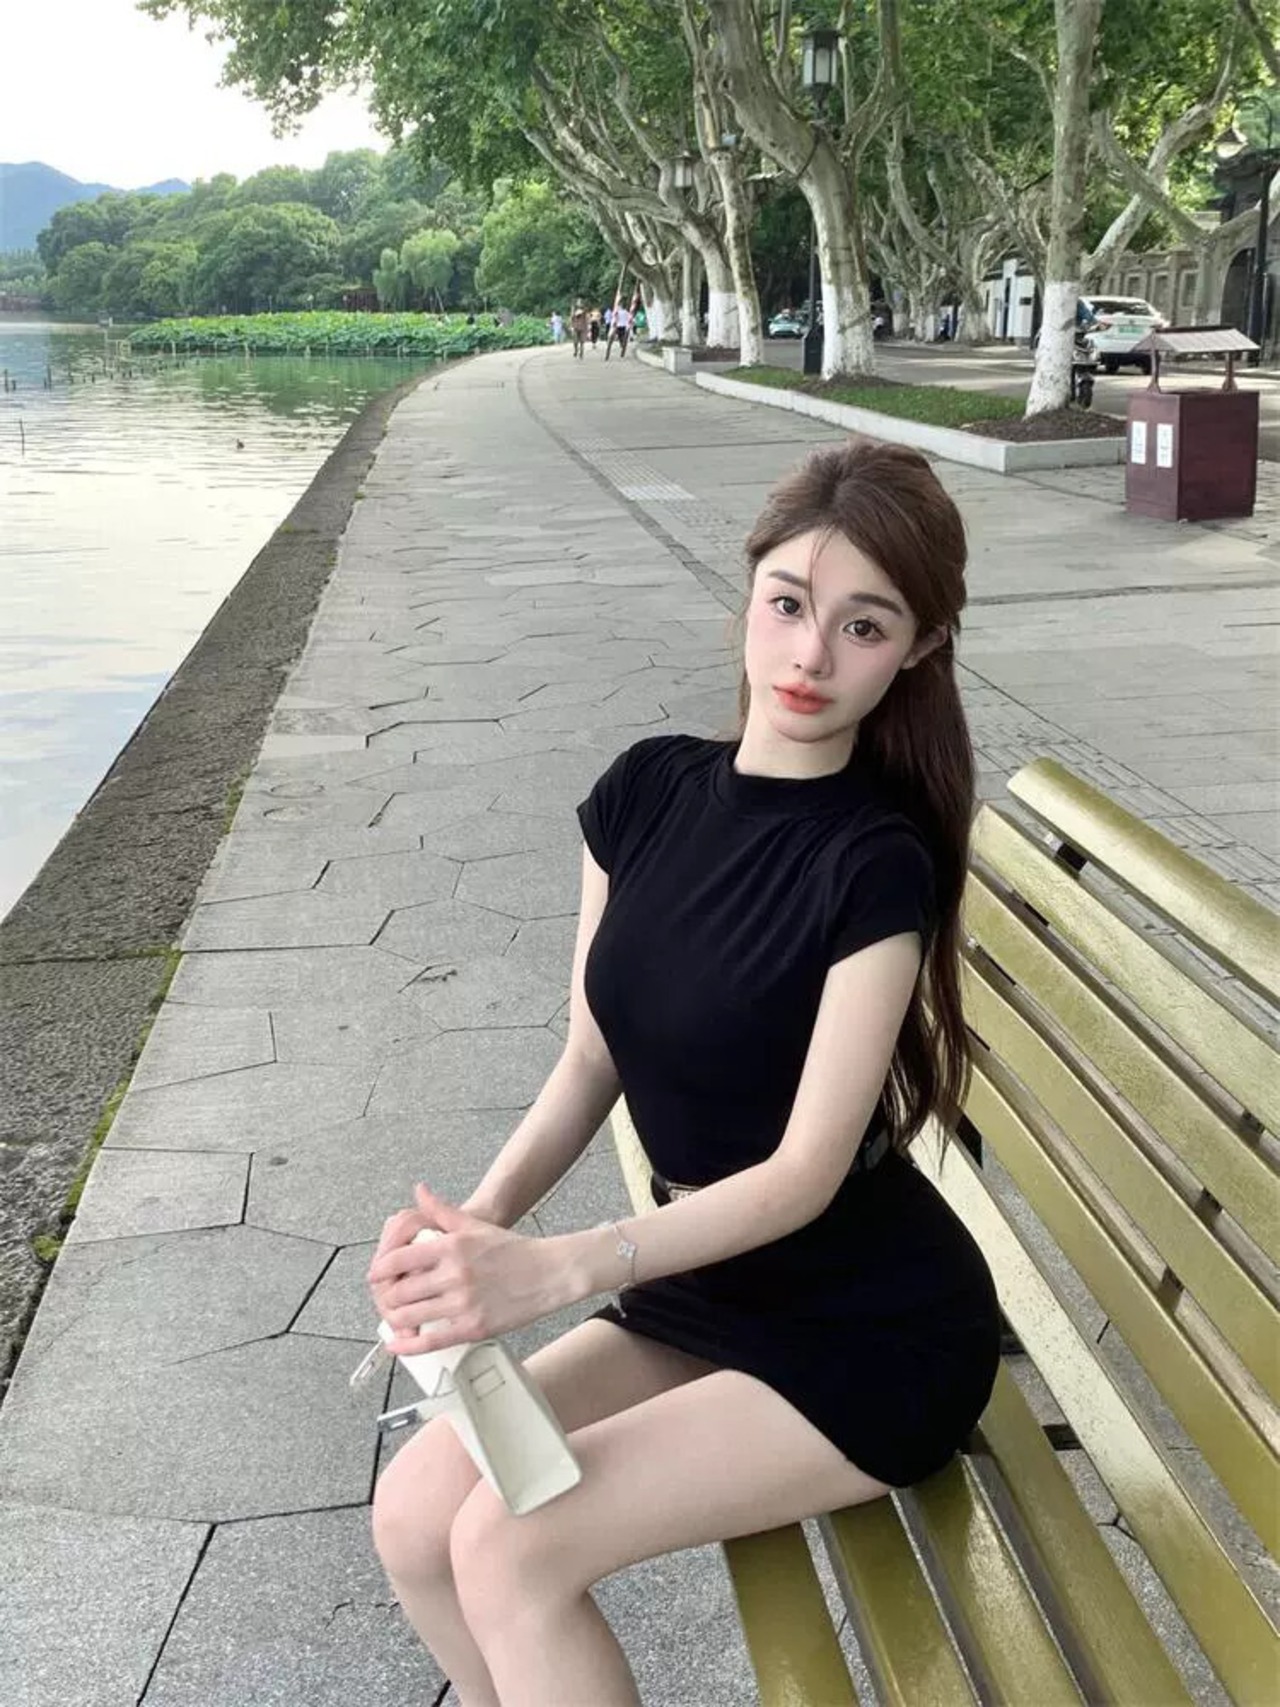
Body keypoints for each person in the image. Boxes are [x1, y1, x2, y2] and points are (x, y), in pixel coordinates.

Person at [367, 436, 1002, 1707]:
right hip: (707, 1291)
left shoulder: (873, 866)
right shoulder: (643, 792)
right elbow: (590, 1057)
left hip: (867, 1331)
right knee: (416, 1513)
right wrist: (475, 1231)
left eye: (863, 627)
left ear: (916, 649)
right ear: (748, 590)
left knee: (511, 1548)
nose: (809, 657)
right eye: (788, 605)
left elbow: (804, 1175)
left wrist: (563, 1267)